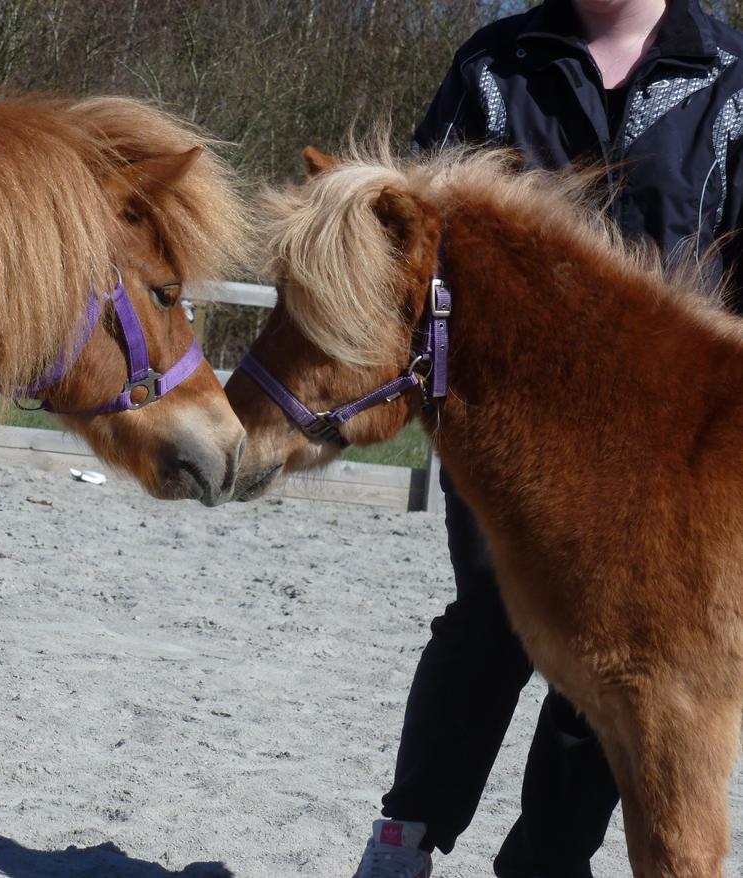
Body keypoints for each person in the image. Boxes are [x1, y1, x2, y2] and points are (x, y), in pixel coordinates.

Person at [353, 1, 743, 876]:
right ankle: (404, 836)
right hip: (512, 435)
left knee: (626, 671)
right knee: (487, 624)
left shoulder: (732, 76)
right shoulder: (496, 65)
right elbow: (407, 231)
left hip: (673, 456)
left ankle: (546, 861)